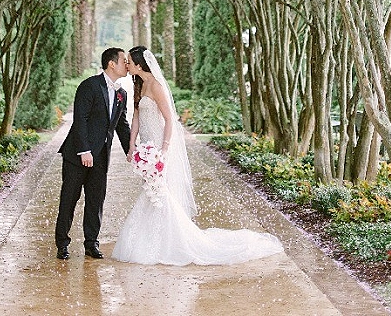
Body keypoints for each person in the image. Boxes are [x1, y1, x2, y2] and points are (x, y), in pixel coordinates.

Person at [112, 45, 284, 265]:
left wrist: (164, 149)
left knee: (160, 192)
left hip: (158, 147)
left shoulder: (156, 86)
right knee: (151, 190)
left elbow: (169, 119)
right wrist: (132, 146)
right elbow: (135, 118)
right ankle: (153, 240)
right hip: (146, 147)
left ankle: (172, 241)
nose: (127, 64)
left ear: (139, 64)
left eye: (129, 61)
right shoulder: (139, 85)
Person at [55, 47, 130, 260]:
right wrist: (84, 150)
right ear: (112, 64)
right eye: (124, 60)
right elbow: (80, 119)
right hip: (77, 154)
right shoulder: (89, 86)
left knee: (95, 201)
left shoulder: (122, 94)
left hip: (101, 156)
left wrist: (132, 152)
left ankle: (91, 244)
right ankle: (62, 244)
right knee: (69, 200)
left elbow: (121, 126)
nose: (127, 65)